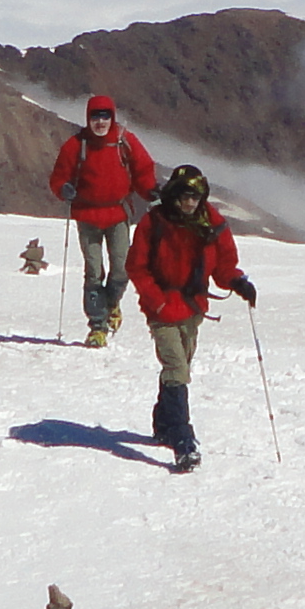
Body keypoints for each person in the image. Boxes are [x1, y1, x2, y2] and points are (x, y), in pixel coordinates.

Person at [124, 164, 254, 472]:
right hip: (162, 310)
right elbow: (136, 266)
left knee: (179, 367)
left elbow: (223, 265)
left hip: (193, 309)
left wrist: (237, 282)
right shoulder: (155, 222)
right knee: (177, 368)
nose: (189, 202)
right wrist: (157, 303)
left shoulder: (212, 224)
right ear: (174, 194)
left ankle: (163, 424)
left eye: (195, 197)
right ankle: (183, 440)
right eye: (184, 196)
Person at [50, 94, 159, 345]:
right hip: (87, 215)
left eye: (105, 116)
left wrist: (151, 190)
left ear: (112, 117)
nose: (100, 122)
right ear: (88, 119)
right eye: (96, 117)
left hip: (118, 214)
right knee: (93, 271)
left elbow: (142, 170)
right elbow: (59, 176)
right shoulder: (76, 145)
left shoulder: (124, 142)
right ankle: (97, 326)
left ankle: (110, 305)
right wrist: (63, 188)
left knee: (122, 268)